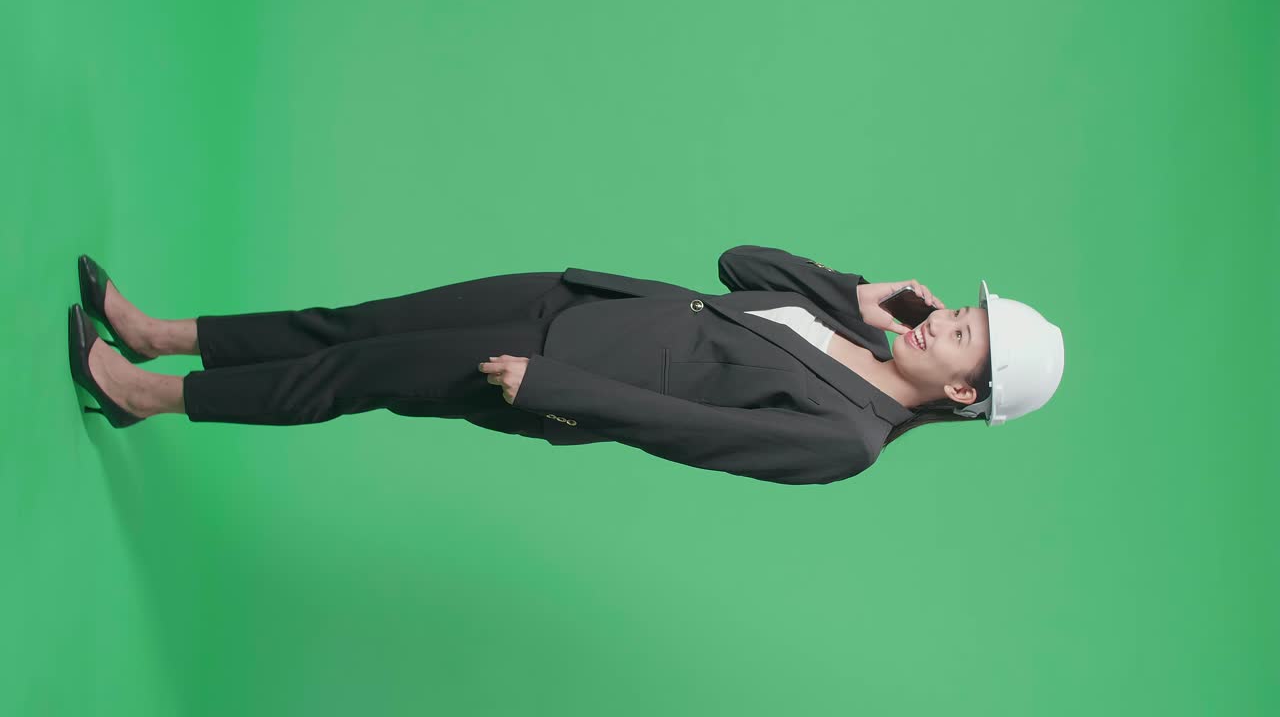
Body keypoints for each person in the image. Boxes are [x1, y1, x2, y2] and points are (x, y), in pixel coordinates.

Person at [68, 245, 1064, 486]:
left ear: (967, 393)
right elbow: (736, 265)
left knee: (353, 376)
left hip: (540, 365)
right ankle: (160, 334)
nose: (945, 321)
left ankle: (144, 394)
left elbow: (694, 433)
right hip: (573, 301)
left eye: (966, 337)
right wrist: (849, 294)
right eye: (962, 313)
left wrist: (550, 393)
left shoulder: (849, 438)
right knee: (349, 323)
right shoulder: (849, 328)